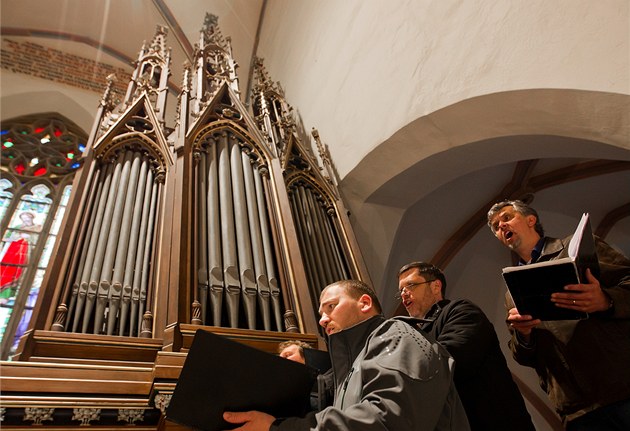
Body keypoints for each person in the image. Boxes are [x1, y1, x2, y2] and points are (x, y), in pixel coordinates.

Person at [223, 279, 470, 431]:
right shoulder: (350, 367)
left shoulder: (396, 335)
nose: (322, 319)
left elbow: (387, 421)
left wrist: (277, 428)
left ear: (364, 304)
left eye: (331, 306)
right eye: (320, 313)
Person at [487, 200, 630, 430]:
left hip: (620, 384)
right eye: (495, 226)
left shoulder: (577, 248)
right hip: (575, 407)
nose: (501, 226)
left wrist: (605, 300)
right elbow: (524, 356)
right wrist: (524, 335)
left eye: (506, 217)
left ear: (531, 220)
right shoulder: (512, 293)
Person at [397, 261, 535, 431]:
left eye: (410, 285)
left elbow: (449, 361)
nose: (404, 294)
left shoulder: (461, 311)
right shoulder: (414, 334)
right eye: (401, 290)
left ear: (435, 286)